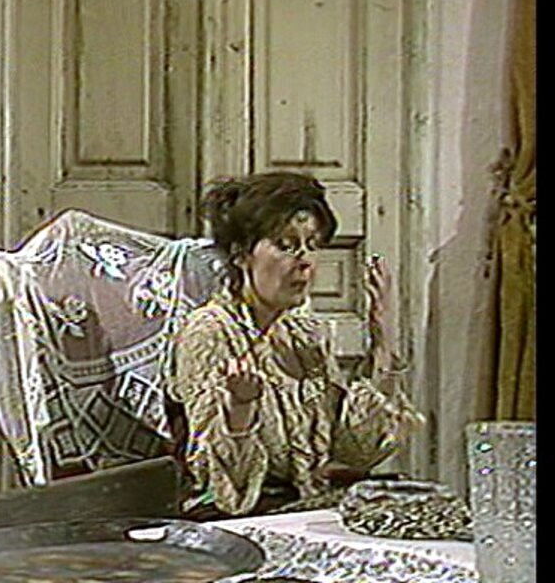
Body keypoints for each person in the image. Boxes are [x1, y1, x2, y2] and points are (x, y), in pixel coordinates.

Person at [166, 172, 424, 518]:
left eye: (312, 245)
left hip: (307, 512)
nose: (304, 261)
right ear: (241, 254)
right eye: (286, 246)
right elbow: (220, 487)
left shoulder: (304, 335)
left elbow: (355, 452)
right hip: (241, 522)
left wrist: (382, 343)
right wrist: (239, 410)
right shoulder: (210, 332)